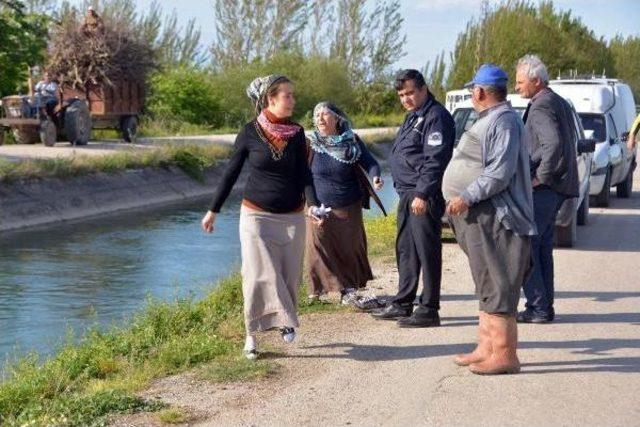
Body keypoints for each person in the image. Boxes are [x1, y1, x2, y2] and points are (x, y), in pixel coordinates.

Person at [201, 75, 321, 360]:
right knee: (257, 274)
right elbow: (230, 173)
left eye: (293, 95)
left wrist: (314, 205)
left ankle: (283, 319)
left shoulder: (297, 134)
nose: (292, 100)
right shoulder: (249, 132)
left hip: (292, 216)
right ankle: (251, 336)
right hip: (256, 215)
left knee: (289, 275)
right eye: (287, 95)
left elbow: (305, 175)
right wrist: (213, 210)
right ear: (271, 99)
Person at [445, 64, 536, 375]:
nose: (472, 93)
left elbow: (499, 173)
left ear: (480, 91)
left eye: (473, 89)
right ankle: (486, 348)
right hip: (481, 216)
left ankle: (505, 355)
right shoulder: (492, 120)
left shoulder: (505, 122)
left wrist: (465, 196)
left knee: (499, 283)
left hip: (498, 216)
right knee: (486, 282)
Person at [371, 69, 455, 327]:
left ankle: (429, 307)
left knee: (426, 250)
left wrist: (422, 193)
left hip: (423, 194)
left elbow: (435, 160)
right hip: (407, 192)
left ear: (423, 89)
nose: (405, 99)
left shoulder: (436, 116)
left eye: (409, 93)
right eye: (401, 95)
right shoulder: (413, 116)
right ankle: (403, 302)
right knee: (406, 249)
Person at [515, 54, 579, 323]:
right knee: (541, 248)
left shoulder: (541, 105)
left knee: (526, 247)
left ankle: (538, 306)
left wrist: (540, 177)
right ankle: (544, 305)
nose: (517, 87)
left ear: (536, 81)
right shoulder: (556, 101)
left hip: (544, 190)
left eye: (520, 82)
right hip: (556, 189)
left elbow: (552, 145)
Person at [306, 101, 384, 308]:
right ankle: (320, 290)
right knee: (318, 246)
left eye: (324, 114)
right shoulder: (309, 143)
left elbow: (371, 163)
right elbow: (302, 176)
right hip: (318, 208)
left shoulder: (351, 141)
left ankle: (348, 287)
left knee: (349, 249)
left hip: (348, 206)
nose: (320, 119)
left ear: (337, 118)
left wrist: (376, 177)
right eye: (316, 115)